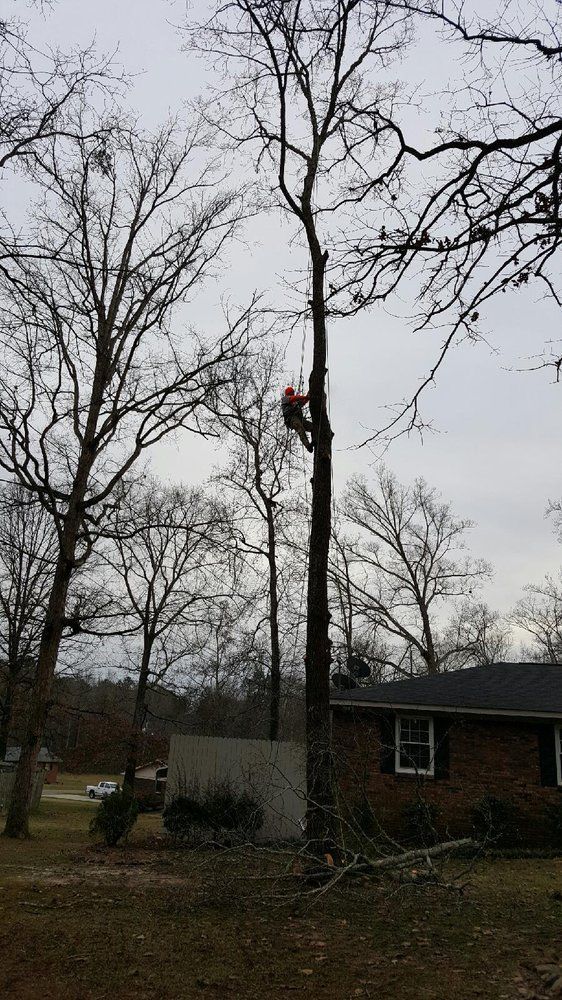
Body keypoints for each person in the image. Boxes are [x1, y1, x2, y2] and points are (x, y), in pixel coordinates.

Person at [281, 385, 314, 453]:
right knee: (300, 429)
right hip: (291, 418)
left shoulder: (295, 402)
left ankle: (316, 440)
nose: (291, 394)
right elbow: (295, 398)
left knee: (313, 427)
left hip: (300, 419)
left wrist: (309, 393)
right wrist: (305, 397)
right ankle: (308, 445)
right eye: (291, 393)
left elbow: (303, 401)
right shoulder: (285, 399)